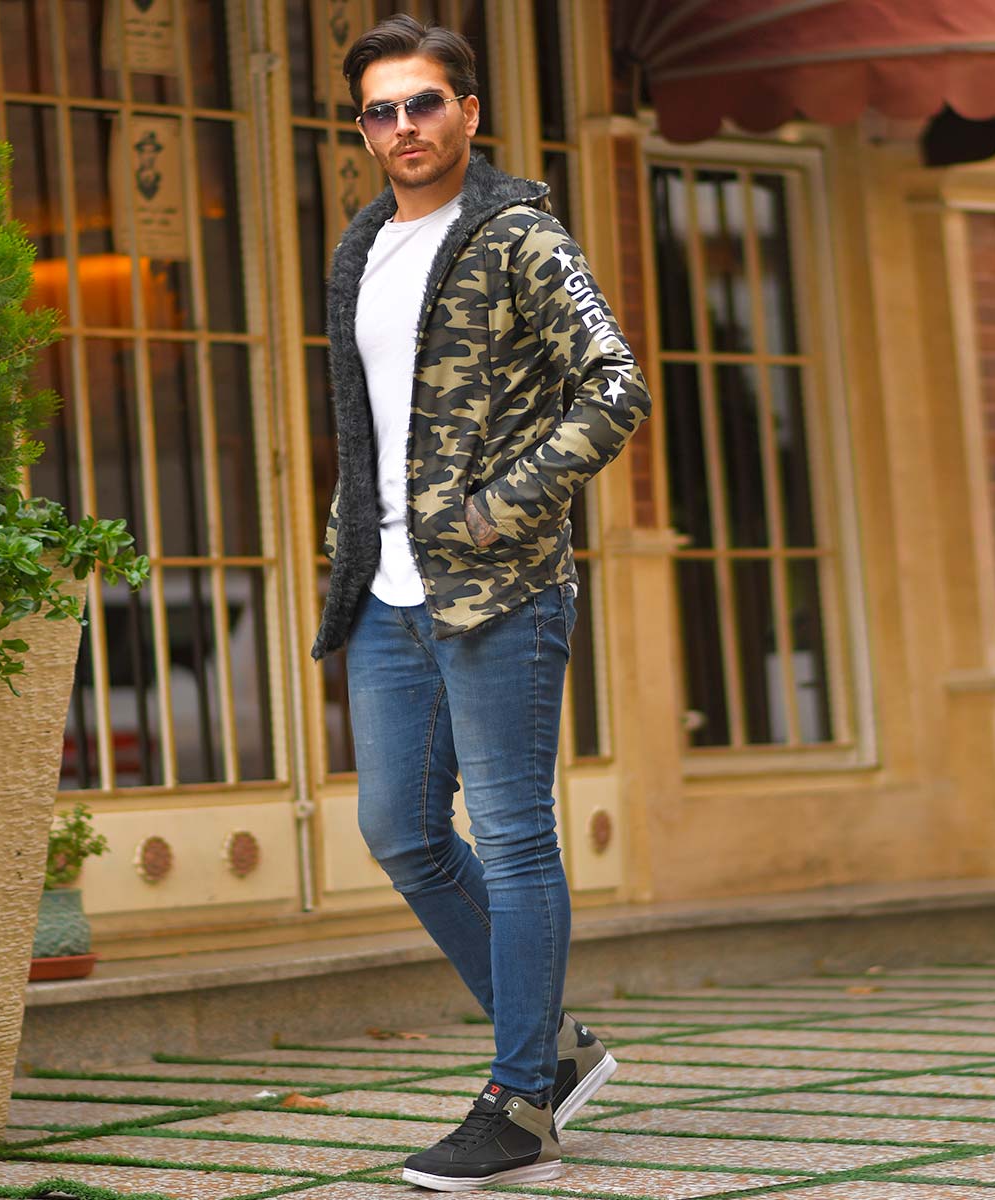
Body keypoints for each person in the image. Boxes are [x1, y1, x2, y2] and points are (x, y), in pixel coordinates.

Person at [310, 14, 651, 1192]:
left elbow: (616, 386)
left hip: (499, 587)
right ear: (364, 128)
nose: (403, 126)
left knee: (511, 835)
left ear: (467, 111)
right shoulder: (364, 244)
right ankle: (550, 1048)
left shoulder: (520, 235)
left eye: (423, 103)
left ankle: (521, 1105)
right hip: (386, 592)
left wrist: (499, 509)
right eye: (381, 110)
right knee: (401, 833)